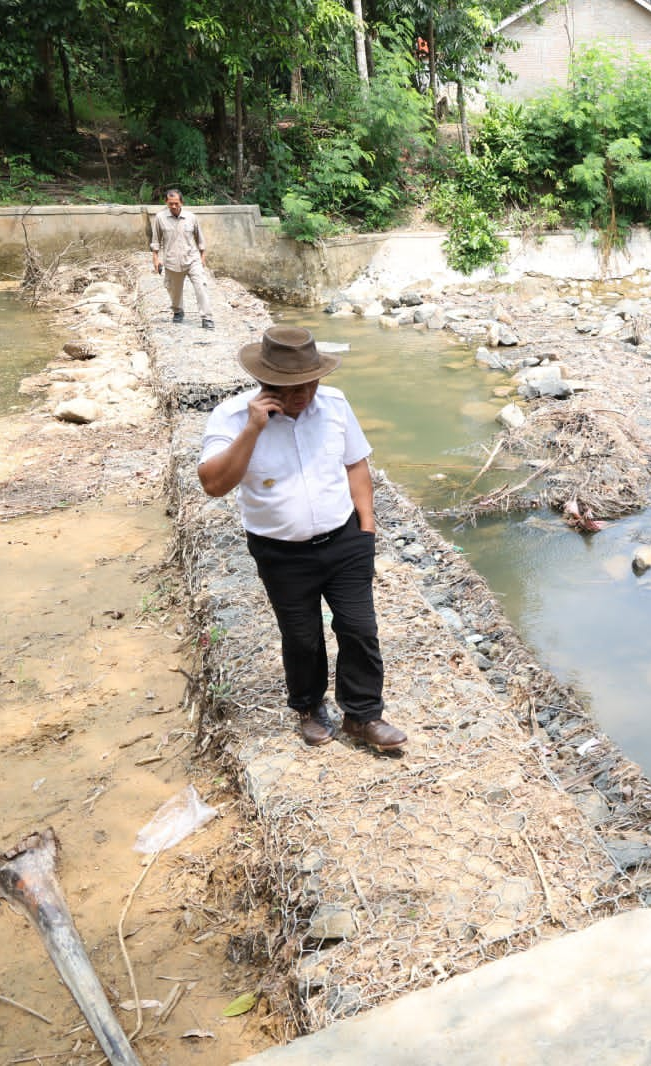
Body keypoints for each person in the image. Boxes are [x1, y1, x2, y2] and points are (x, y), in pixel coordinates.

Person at [198, 326, 407, 752]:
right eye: (287, 388)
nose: (300, 395)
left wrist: (366, 530)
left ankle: (364, 715)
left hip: (345, 541)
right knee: (301, 635)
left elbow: (356, 465)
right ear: (264, 382)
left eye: (307, 385)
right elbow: (214, 484)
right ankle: (310, 709)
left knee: (359, 628)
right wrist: (253, 430)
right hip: (281, 553)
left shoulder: (334, 404)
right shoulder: (233, 417)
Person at [150, 189, 214, 329]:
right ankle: (178, 311)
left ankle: (207, 318)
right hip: (172, 261)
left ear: (182, 202)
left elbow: (200, 238)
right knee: (174, 290)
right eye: (170, 203)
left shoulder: (191, 217)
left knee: (201, 286)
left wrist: (202, 257)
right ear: (166, 202)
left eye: (176, 203)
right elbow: (156, 241)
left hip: (192, 259)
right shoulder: (160, 218)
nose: (173, 206)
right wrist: (156, 259)